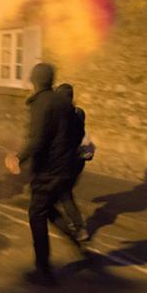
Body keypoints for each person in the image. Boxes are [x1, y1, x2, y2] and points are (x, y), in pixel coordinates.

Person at [6, 63, 83, 286]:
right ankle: (73, 237)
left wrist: (18, 157)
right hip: (65, 170)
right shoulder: (64, 102)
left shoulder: (42, 103)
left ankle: (43, 271)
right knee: (47, 208)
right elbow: (77, 133)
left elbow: (37, 140)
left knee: (36, 214)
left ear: (35, 81)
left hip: (48, 171)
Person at [55, 83, 93, 242]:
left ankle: (79, 228)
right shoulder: (79, 113)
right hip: (77, 163)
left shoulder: (61, 116)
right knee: (63, 193)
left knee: (64, 195)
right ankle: (76, 225)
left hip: (67, 162)